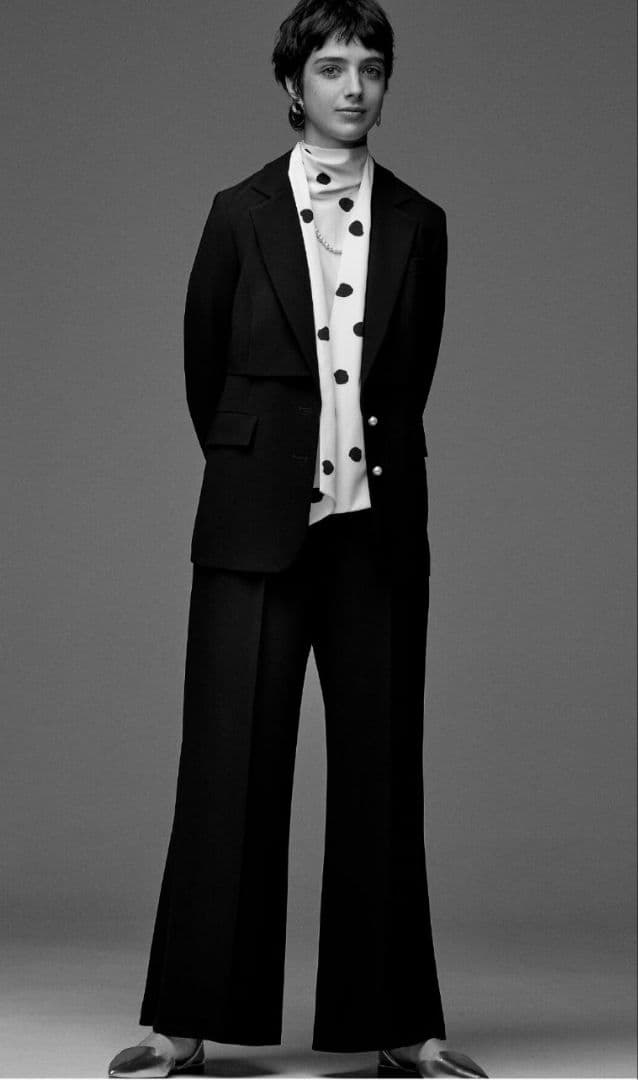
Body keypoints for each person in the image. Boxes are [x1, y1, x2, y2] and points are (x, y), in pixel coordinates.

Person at [108, 1, 489, 1077]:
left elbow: (408, 379)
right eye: (330, 67)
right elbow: (205, 370)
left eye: (370, 67)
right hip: (252, 527)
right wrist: (264, 468)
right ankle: (183, 1023)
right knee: (225, 768)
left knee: (381, 775)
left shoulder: (421, 221)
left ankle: (399, 1027)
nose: (353, 86)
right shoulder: (235, 213)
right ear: (292, 84)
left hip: (377, 533)